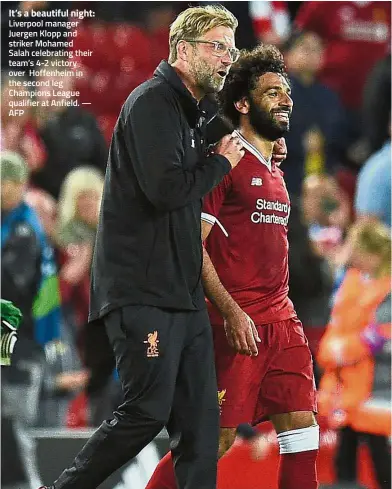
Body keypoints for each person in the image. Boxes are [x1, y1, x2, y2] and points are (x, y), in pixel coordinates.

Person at [40, 5, 245, 489]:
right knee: (145, 412)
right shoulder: (152, 101)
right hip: (143, 291)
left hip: (182, 290)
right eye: (216, 46)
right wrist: (223, 162)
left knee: (199, 426)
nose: (225, 58)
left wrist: (230, 130)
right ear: (182, 50)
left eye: (230, 49)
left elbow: (188, 156)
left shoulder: (186, 110)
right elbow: (166, 189)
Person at [146, 44, 318, 489]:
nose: (285, 100)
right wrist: (231, 312)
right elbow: (191, 245)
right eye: (272, 92)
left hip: (282, 320)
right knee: (211, 443)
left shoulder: (275, 166)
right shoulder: (223, 162)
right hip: (232, 323)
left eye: (287, 93)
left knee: (303, 435)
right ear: (242, 103)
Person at [317, 221, 391, 489]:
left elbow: (381, 337)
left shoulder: (388, 289)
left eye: (359, 251)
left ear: (375, 253)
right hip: (346, 390)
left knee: (382, 462)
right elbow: (337, 329)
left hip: (379, 391)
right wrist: (336, 351)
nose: (354, 258)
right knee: (344, 465)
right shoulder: (352, 282)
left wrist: (342, 350)